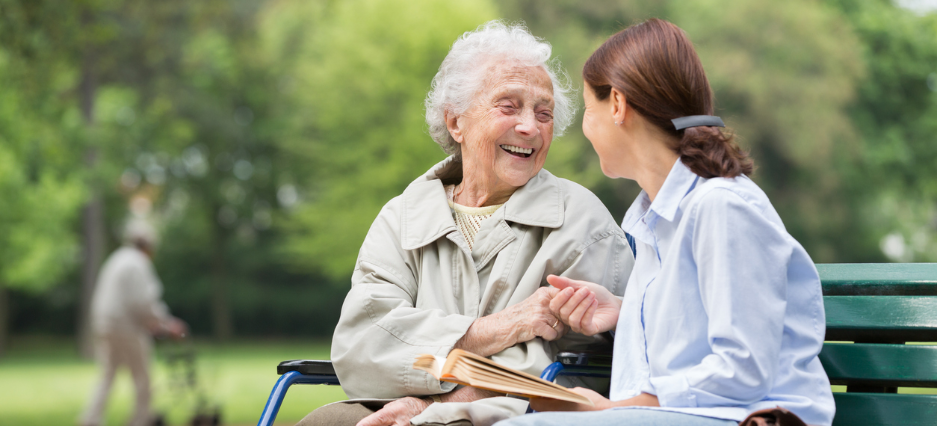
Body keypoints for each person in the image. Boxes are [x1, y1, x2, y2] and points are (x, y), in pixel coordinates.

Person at [496, 18, 835, 426]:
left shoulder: (722, 207)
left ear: (617, 105)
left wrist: (613, 409)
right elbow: (702, 325)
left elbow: (742, 369)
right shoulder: (655, 220)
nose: (585, 128)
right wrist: (624, 310)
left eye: (589, 110)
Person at [297, 21, 634, 426]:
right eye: (508, 106)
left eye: (543, 113)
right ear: (456, 122)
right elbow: (362, 342)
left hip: (518, 414)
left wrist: (437, 406)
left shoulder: (583, 221)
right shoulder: (402, 216)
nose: (530, 126)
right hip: (393, 402)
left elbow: (589, 367)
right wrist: (495, 329)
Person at [80, 219, 187, 426]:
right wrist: (167, 323)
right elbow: (144, 302)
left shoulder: (117, 258)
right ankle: (141, 420)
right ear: (148, 246)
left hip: (104, 324)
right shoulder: (138, 263)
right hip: (126, 327)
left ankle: (90, 420)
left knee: (107, 374)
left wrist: (155, 322)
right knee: (143, 376)